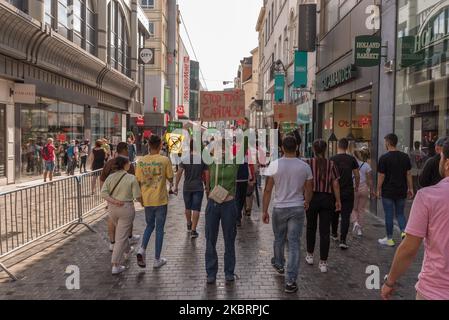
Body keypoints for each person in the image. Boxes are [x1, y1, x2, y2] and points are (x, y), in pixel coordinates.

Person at [381, 140, 449, 300]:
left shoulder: (428, 196)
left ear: (447, 163)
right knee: (399, 214)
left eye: (441, 157)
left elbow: (409, 248)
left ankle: (389, 237)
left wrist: (390, 282)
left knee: (392, 215)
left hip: (435, 290)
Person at [263, 136, 313, 293]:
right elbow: (309, 188)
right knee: (294, 244)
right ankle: (290, 281)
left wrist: (264, 210)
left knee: (279, 238)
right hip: (297, 207)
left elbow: (268, 189)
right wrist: (307, 201)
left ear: (282, 148)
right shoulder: (304, 166)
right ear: (297, 147)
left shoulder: (274, 165)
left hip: (279, 208)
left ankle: (279, 264)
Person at [135, 135, 174, 269]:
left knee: (149, 225)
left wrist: (139, 199)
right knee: (159, 229)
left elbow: (138, 180)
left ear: (148, 146)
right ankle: (157, 259)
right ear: (160, 145)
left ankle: (142, 249)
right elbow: (170, 177)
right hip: (160, 200)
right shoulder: (164, 160)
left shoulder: (141, 161)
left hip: (147, 200)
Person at [205, 139, 240, 284]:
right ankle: (211, 272)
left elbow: (244, 142)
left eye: (225, 148)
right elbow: (201, 148)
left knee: (229, 239)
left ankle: (229, 272)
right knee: (210, 240)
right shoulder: (212, 162)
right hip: (213, 205)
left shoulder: (235, 163)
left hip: (229, 205)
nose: (223, 151)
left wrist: (244, 127)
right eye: (220, 148)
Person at [101, 156, 142, 275]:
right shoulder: (131, 178)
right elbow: (137, 195)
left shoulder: (110, 177)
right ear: (125, 165)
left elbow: (103, 193)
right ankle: (115, 264)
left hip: (112, 209)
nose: (130, 164)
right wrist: (144, 204)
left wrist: (113, 201)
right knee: (121, 237)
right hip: (126, 208)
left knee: (121, 233)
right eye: (128, 162)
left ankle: (128, 250)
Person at [305, 140, 341, 273]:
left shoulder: (308, 163)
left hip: (312, 197)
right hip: (327, 199)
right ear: (325, 150)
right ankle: (323, 262)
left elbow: (304, 181)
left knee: (311, 227)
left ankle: (309, 254)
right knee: (325, 231)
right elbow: (336, 184)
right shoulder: (331, 164)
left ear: (313, 149)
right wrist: (338, 200)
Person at [100, 142, 140, 252]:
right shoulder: (128, 164)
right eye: (128, 148)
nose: (129, 150)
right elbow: (133, 180)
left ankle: (113, 243)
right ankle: (128, 239)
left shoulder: (109, 163)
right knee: (127, 219)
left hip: (111, 198)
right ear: (125, 149)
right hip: (125, 198)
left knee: (112, 220)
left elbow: (102, 179)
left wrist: (106, 196)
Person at [377, 134, 414, 247]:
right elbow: (408, 174)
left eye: (385, 142)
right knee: (400, 213)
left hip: (388, 191)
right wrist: (411, 188)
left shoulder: (384, 158)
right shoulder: (405, 157)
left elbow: (381, 176)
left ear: (388, 142)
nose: (384, 144)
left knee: (389, 214)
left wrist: (378, 188)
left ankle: (389, 239)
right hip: (401, 190)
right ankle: (403, 232)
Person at [174, 140, 210, 239]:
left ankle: (189, 223)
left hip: (187, 187)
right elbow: (207, 173)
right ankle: (193, 230)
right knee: (196, 208)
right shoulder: (202, 159)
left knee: (187, 207)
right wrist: (207, 186)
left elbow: (179, 173)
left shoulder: (185, 159)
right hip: (198, 186)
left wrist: (176, 186)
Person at [330, 138, 360, 249]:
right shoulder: (352, 159)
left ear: (338, 146)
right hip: (348, 191)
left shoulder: (332, 159)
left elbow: (330, 177)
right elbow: (357, 175)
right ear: (347, 147)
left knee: (334, 213)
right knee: (346, 216)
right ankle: (343, 239)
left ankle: (334, 233)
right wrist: (356, 186)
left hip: (334, 191)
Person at [351, 148, 374, 237]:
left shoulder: (351, 165)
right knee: (361, 209)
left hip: (354, 188)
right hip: (364, 188)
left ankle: (355, 222)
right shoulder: (366, 165)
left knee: (353, 208)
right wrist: (371, 190)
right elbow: (370, 180)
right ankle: (359, 230)